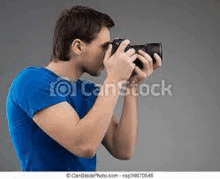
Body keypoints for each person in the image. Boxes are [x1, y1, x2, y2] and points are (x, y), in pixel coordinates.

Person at [6, 5, 162, 171]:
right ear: (78, 47)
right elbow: (83, 145)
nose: (109, 54)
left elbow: (122, 149)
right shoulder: (31, 81)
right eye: (105, 47)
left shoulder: (87, 90)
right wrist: (115, 78)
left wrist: (132, 85)